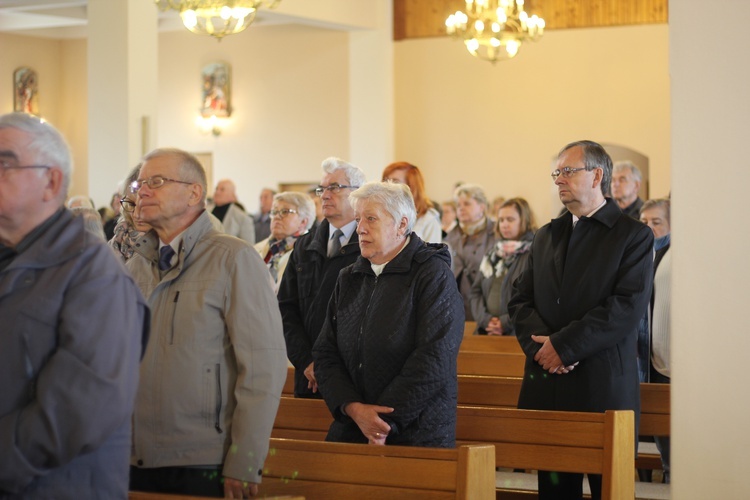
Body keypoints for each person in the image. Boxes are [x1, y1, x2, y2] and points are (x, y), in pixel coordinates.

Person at [0, 112, 149, 498]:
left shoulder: (95, 274)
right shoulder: (11, 258)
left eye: (3, 164)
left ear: (51, 181)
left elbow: (79, 410)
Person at [126, 148, 287, 498]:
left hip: (203, 457)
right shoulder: (136, 265)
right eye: (141, 183)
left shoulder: (234, 258)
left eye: (157, 181)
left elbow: (262, 368)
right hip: (133, 455)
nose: (143, 191)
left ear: (194, 193)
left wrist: (245, 461)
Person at [508, 140, 654, 500]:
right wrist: (544, 349)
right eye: (557, 172)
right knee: (556, 490)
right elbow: (520, 300)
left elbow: (624, 308)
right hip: (549, 386)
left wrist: (564, 345)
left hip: (601, 385)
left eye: (568, 171)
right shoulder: (547, 235)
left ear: (597, 175)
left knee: (609, 490)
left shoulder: (632, 235)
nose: (559, 179)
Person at [313, 181, 464, 447]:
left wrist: (382, 424)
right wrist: (353, 409)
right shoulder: (349, 277)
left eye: (371, 218)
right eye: (359, 219)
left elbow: (435, 357)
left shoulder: (431, 274)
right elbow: (326, 352)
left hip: (416, 431)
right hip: (352, 425)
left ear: (402, 225)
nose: (360, 228)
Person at [278, 157, 366, 399]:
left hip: (350, 376)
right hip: (307, 376)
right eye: (322, 189)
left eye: (334, 188)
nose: (324, 195)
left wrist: (329, 366)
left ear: (357, 195)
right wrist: (306, 361)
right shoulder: (305, 245)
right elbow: (286, 308)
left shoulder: (369, 244)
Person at [639, 197, 671, 483]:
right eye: (644, 223)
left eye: (656, 222)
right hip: (648, 360)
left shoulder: (675, 256)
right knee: (662, 442)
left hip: (669, 362)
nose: (649, 229)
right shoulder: (641, 254)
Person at [469, 197, 536, 335]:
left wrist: (505, 322)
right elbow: (476, 292)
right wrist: (485, 319)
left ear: (524, 220)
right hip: (486, 330)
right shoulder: (493, 252)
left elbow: (535, 298)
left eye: (510, 220)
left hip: (517, 332)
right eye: (501, 220)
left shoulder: (534, 253)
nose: (504, 224)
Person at [444, 184, 497, 321]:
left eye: (467, 204)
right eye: (458, 205)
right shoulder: (450, 236)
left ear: (482, 207)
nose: (461, 208)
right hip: (456, 308)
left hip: (486, 309)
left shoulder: (496, 233)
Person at [254, 191, 315, 290]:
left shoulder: (310, 254)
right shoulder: (256, 249)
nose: (277, 217)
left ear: (303, 221)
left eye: (285, 211)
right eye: (274, 212)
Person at [382, 161, 441, 243]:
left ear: (412, 187)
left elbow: (433, 253)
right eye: (385, 181)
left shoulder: (429, 220)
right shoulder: (382, 214)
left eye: (395, 182)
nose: (387, 187)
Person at [209, 179, 255, 243]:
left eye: (222, 190)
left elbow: (248, 248)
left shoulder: (243, 218)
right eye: (216, 189)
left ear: (232, 195)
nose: (217, 192)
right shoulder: (205, 210)